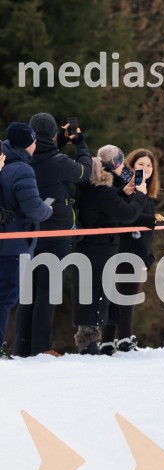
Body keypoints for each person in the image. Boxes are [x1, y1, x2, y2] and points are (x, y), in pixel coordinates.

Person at [14, 113, 92, 357]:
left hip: (27, 235)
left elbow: (43, 154)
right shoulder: (59, 162)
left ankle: (22, 347)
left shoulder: (22, 160)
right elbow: (84, 172)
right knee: (48, 293)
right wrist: (80, 143)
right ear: (53, 134)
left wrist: (57, 142)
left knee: (28, 293)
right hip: (55, 236)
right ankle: (41, 347)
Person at [71, 147, 150, 354]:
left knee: (89, 293)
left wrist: (122, 192)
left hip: (87, 248)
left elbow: (105, 201)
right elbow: (128, 215)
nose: (123, 169)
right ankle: (90, 345)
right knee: (97, 294)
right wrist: (140, 195)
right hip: (99, 250)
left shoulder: (87, 188)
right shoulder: (103, 192)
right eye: (120, 164)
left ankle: (90, 343)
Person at [100, 148, 162, 354]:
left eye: (149, 166)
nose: (145, 169)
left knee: (123, 296)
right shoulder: (127, 189)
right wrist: (150, 220)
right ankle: (123, 340)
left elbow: (144, 231)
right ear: (131, 166)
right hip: (123, 250)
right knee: (124, 297)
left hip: (137, 251)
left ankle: (109, 341)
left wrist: (147, 256)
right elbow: (127, 217)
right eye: (141, 165)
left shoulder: (145, 193)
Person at [0, 123, 53, 359]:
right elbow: (32, 208)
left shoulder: (4, 163)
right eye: (33, 141)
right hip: (12, 245)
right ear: (27, 143)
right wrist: (47, 210)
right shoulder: (21, 169)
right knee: (6, 296)